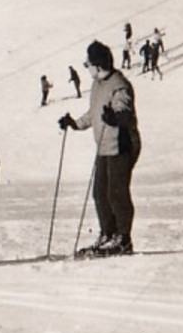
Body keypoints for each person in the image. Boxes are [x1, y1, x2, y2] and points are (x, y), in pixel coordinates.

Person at [59, 40, 141, 256]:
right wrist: (74, 123)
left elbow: (124, 113)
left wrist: (115, 118)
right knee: (99, 194)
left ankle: (123, 239)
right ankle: (108, 234)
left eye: (88, 64)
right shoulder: (97, 85)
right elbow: (94, 114)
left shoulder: (119, 84)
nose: (87, 68)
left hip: (123, 145)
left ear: (98, 65)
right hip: (105, 145)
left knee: (116, 192)